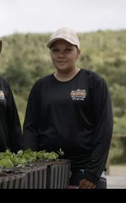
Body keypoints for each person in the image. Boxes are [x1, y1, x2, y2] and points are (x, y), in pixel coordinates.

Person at [22, 27, 113, 189]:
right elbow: (30, 128)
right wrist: (30, 166)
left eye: (68, 50)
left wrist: (93, 172)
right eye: (55, 50)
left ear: (78, 52)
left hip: (85, 172)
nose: (61, 55)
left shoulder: (93, 82)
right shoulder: (41, 86)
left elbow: (104, 129)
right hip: (47, 171)